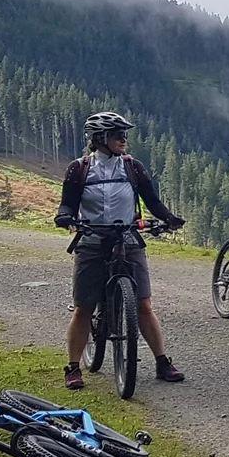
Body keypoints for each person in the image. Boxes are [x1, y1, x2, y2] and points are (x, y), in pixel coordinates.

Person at [55, 112, 187, 390]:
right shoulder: (79, 169)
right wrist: (65, 217)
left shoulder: (132, 167)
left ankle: (162, 362)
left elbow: (152, 201)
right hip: (91, 240)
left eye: (124, 134)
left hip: (127, 239)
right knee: (84, 308)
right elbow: (67, 204)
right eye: (117, 134)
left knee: (143, 305)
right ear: (100, 138)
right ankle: (73, 367)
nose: (123, 139)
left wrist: (169, 218)